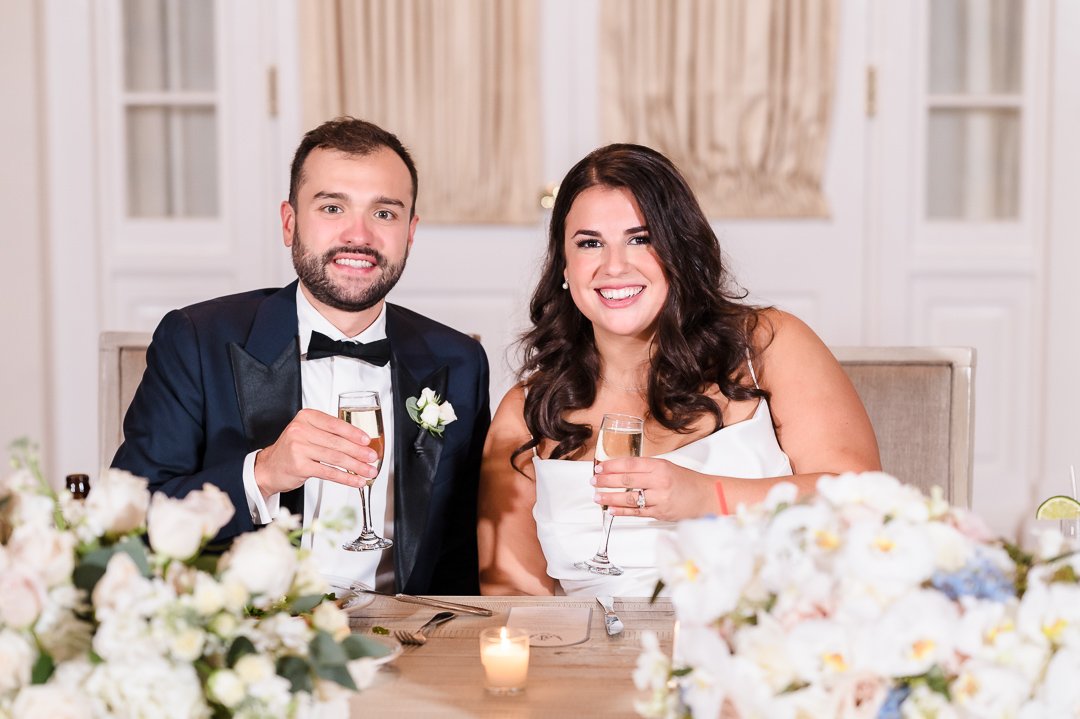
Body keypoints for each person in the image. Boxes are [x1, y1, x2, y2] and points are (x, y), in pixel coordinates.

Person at [477, 144, 880, 596]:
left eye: (640, 238)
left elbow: (862, 498)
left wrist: (709, 498)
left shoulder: (768, 344)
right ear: (564, 268)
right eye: (590, 243)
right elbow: (511, 597)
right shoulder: (529, 409)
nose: (614, 266)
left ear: (679, 250)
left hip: (763, 648)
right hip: (592, 661)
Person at [113, 117, 490, 595]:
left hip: (410, 640)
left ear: (411, 232)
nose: (359, 235)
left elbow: (463, 550)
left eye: (384, 213)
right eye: (333, 207)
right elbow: (130, 517)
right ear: (290, 223)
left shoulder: (459, 361)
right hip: (250, 640)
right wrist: (264, 472)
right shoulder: (195, 340)